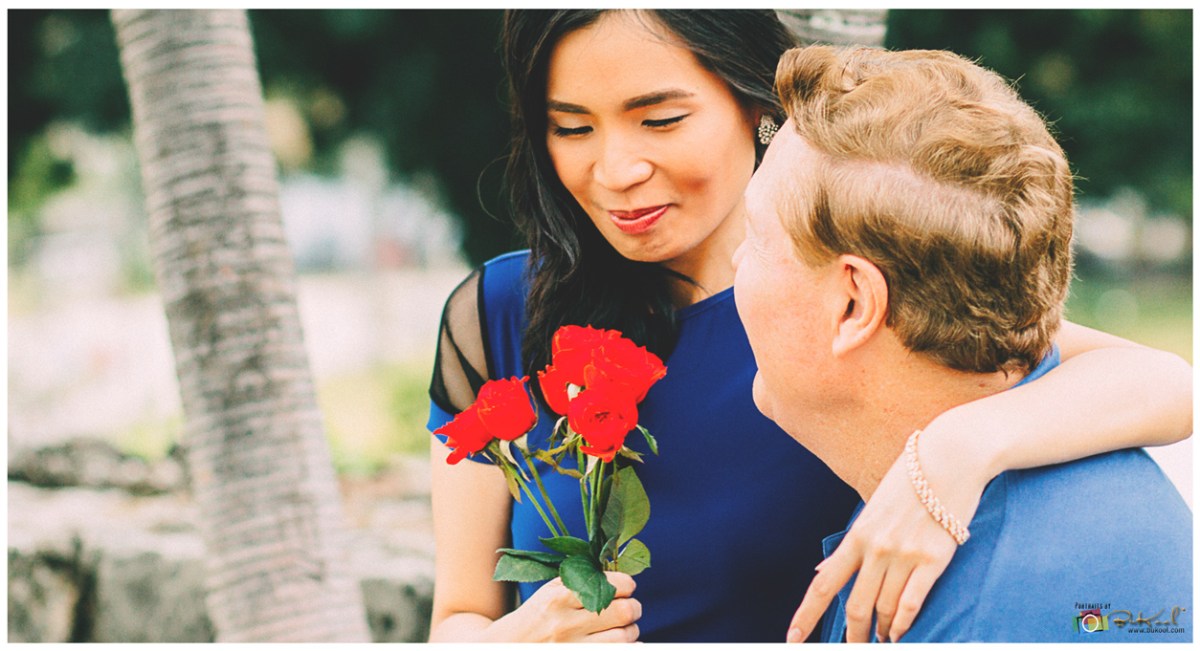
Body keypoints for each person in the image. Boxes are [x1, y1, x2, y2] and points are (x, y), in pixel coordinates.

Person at [426, 10, 1193, 643]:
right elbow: (458, 614)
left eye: (660, 119)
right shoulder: (499, 313)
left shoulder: (827, 306)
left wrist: (956, 452)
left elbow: (1164, 384)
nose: (616, 169)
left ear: (754, 107)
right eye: (572, 128)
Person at [733, 44, 1192, 643]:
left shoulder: (978, 617)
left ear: (854, 305)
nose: (737, 262)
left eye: (758, 238)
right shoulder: (1005, 388)